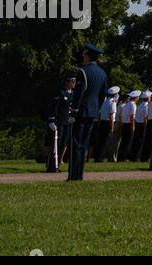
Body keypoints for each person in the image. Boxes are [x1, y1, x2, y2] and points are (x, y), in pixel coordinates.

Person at [67, 44, 108, 181]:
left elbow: (79, 93)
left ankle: (74, 175)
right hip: (92, 112)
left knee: (76, 143)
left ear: (87, 55)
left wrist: (73, 111)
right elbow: (103, 95)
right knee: (84, 144)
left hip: (81, 112)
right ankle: (80, 175)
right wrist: (96, 109)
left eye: (84, 54)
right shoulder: (102, 73)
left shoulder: (82, 71)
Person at [46, 72, 77, 173]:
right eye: (72, 81)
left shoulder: (72, 94)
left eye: (74, 81)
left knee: (63, 144)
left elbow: (72, 108)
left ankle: (57, 165)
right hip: (59, 122)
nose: (74, 83)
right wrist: (51, 120)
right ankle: (51, 166)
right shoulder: (61, 93)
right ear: (67, 82)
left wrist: (72, 116)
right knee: (56, 144)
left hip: (67, 123)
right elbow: (54, 107)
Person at [94, 86, 119, 162]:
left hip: (102, 122)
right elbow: (111, 116)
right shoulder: (113, 103)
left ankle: (97, 157)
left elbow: (100, 114)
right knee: (106, 141)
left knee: (100, 141)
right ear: (115, 94)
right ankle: (101, 157)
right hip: (108, 122)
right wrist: (112, 127)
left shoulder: (105, 102)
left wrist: (99, 124)